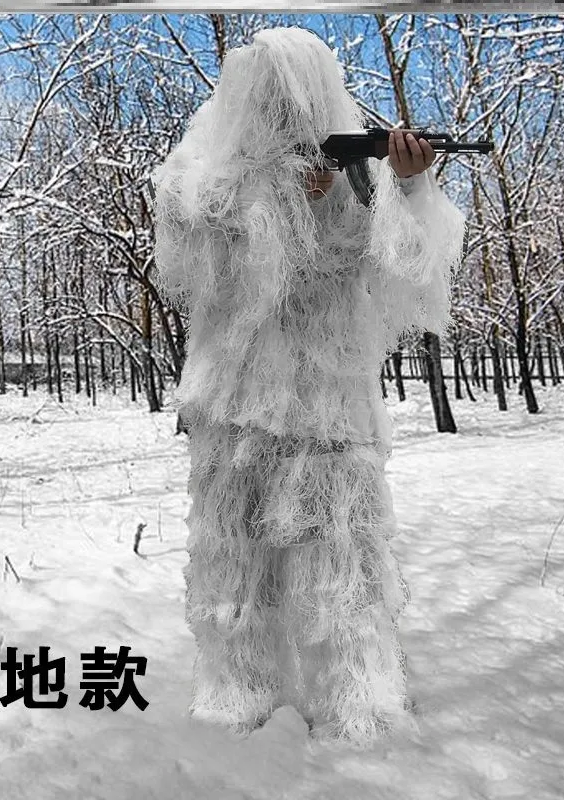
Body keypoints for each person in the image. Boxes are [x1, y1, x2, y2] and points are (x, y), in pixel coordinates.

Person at [151, 26, 465, 744]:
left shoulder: (357, 175)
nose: (286, 115)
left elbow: (409, 273)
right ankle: (234, 705)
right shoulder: (206, 161)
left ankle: (361, 710)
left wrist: (409, 185)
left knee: (346, 572)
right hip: (234, 408)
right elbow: (184, 226)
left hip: (329, 410)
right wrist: (275, 191)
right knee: (234, 572)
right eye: (272, 101)